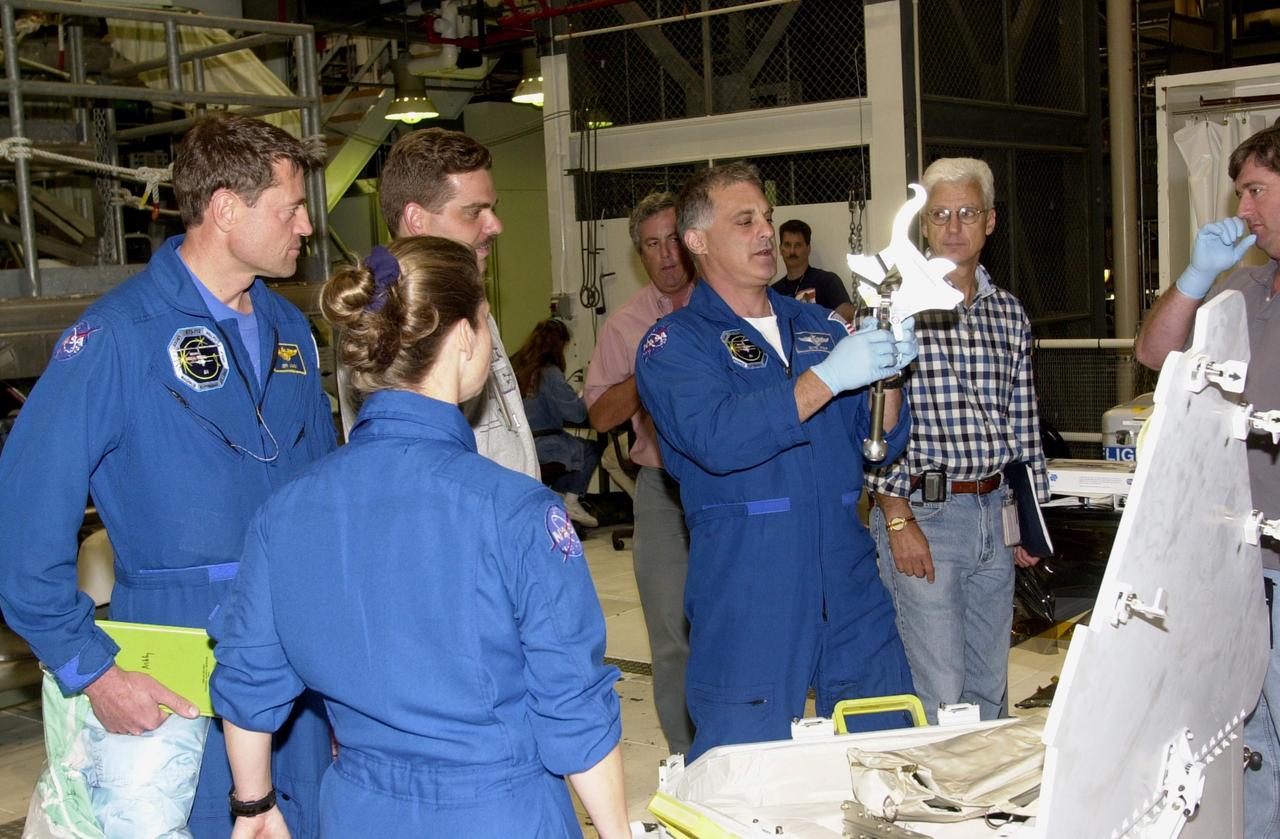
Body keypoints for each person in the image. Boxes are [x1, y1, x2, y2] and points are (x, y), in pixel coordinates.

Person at [209, 237, 627, 839]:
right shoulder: (514, 511)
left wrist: (253, 805)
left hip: (356, 810)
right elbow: (574, 708)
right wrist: (616, 831)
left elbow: (249, 675)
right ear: (463, 339)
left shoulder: (285, 510)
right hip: (495, 812)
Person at [0, 114, 336, 838]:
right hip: (181, 657)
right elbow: (24, 516)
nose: (307, 226)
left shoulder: (292, 331)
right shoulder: (119, 336)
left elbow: (326, 494)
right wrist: (91, 668)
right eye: (291, 208)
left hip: (298, 644)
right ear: (224, 209)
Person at [635, 162, 918, 761]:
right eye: (746, 221)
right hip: (749, 590)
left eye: (766, 216)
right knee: (744, 776)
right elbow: (717, 437)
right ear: (697, 240)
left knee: (888, 756)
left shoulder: (816, 326)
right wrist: (828, 377)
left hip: (848, 583)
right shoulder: (674, 344)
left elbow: (878, 443)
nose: (766, 231)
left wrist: (889, 371)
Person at [1135, 125, 1280, 839]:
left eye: (1256, 190)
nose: (1244, 209)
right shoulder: (1245, 287)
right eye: (1241, 192)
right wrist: (1196, 279)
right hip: (1237, 572)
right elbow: (1153, 352)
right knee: (1246, 751)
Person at [867, 157, 1049, 725]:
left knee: (989, 691)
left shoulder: (1009, 314)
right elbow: (872, 425)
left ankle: (983, 808)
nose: (952, 226)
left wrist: (1029, 520)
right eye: (940, 214)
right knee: (941, 696)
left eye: (967, 213)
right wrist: (896, 518)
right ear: (924, 226)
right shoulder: (893, 308)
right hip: (926, 515)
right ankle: (934, 811)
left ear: (989, 222)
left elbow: (1023, 424)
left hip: (994, 513)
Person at [585, 191, 696, 755]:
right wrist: (646, 364)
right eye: (652, 245)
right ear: (639, 255)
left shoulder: (732, 305)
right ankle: (687, 759)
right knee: (671, 638)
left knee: (739, 628)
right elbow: (601, 414)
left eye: (674, 238)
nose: (667, 254)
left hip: (734, 489)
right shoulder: (627, 325)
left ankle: (745, 757)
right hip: (663, 492)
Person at [378, 127, 538, 477]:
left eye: (493, 209)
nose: (496, 225)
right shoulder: (388, 314)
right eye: (473, 212)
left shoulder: (460, 294)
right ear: (417, 219)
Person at [513, 318, 602, 527]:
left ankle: (556, 498)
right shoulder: (549, 372)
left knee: (570, 454)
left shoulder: (517, 367)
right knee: (591, 449)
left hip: (520, 444)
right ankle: (570, 501)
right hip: (545, 445)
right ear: (559, 345)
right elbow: (577, 415)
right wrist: (584, 398)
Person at [772, 218, 858, 323]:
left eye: (798, 245)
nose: (792, 251)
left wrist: (825, 330)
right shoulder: (774, 291)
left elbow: (847, 312)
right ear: (781, 249)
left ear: (808, 249)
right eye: (787, 245)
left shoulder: (827, 281)